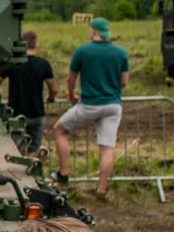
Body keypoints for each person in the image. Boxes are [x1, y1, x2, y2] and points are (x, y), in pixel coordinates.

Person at [53, 17, 130, 194]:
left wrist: (70, 94)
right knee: (108, 148)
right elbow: (124, 81)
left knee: (59, 130)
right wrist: (111, 88)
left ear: (94, 31)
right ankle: (101, 189)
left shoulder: (82, 50)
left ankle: (63, 173)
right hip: (113, 105)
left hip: (90, 104)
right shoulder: (120, 52)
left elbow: (71, 78)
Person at [0, 30, 57, 155]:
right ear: (36, 44)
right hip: (37, 113)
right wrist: (50, 97)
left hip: (16, 115)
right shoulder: (43, 64)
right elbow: (54, 88)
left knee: (15, 149)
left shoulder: (13, 64)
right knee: (33, 150)